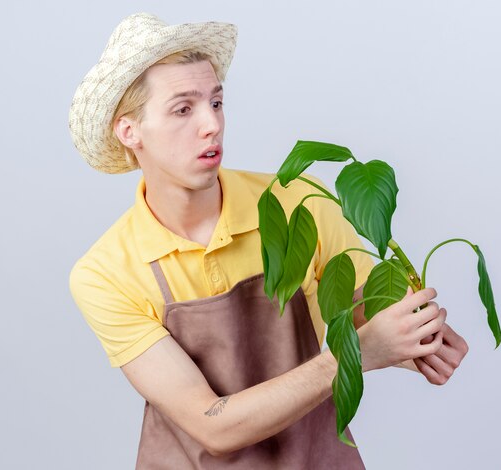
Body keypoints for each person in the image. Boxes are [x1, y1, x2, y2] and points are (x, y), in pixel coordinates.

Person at [68, 12, 469, 469]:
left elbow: (368, 317)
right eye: (183, 109)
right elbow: (212, 425)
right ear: (129, 131)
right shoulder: (105, 273)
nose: (211, 125)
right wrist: (355, 354)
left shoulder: (300, 203)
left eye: (216, 103)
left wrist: (417, 338)